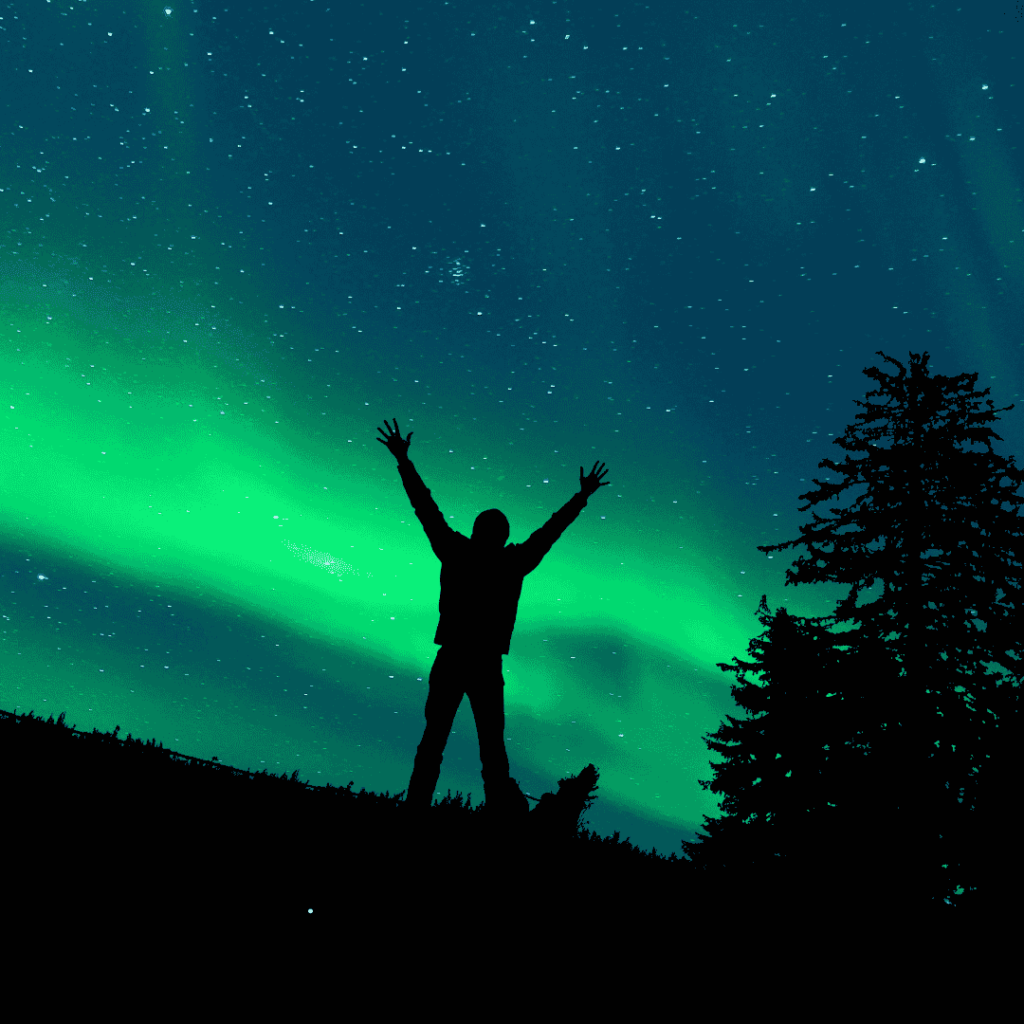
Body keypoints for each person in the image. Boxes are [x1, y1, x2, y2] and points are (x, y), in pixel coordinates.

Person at [376, 417, 610, 824]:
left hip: (456, 657)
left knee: (438, 742)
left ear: (479, 530)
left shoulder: (458, 551)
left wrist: (403, 461)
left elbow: (424, 508)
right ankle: (498, 819)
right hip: (481, 661)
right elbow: (549, 533)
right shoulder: (510, 563)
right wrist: (581, 497)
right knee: (489, 749)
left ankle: (418, 811)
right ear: (501, 536)